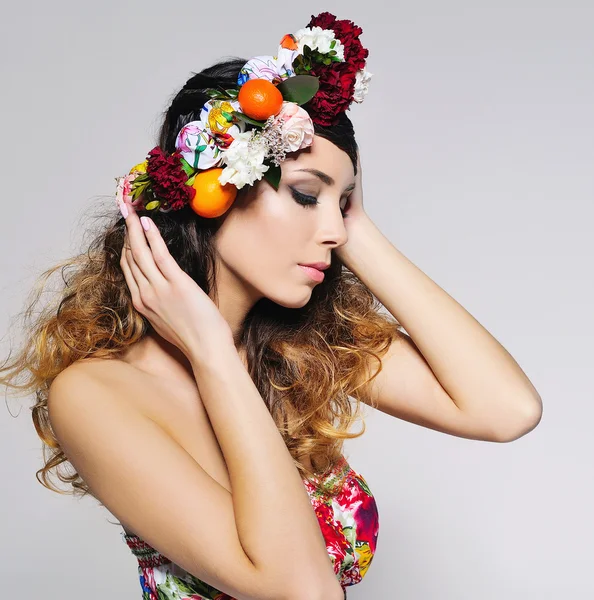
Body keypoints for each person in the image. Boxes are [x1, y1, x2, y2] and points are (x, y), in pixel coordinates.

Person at [0, 11, 542, 600]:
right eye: (306, 195)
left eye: (345, 206)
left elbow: (506, 410)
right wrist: (210, 350)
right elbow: (303, 591)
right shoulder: (97, 393)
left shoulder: (297, 347)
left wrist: (350, 219)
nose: (333, 230)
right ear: (217, 190)